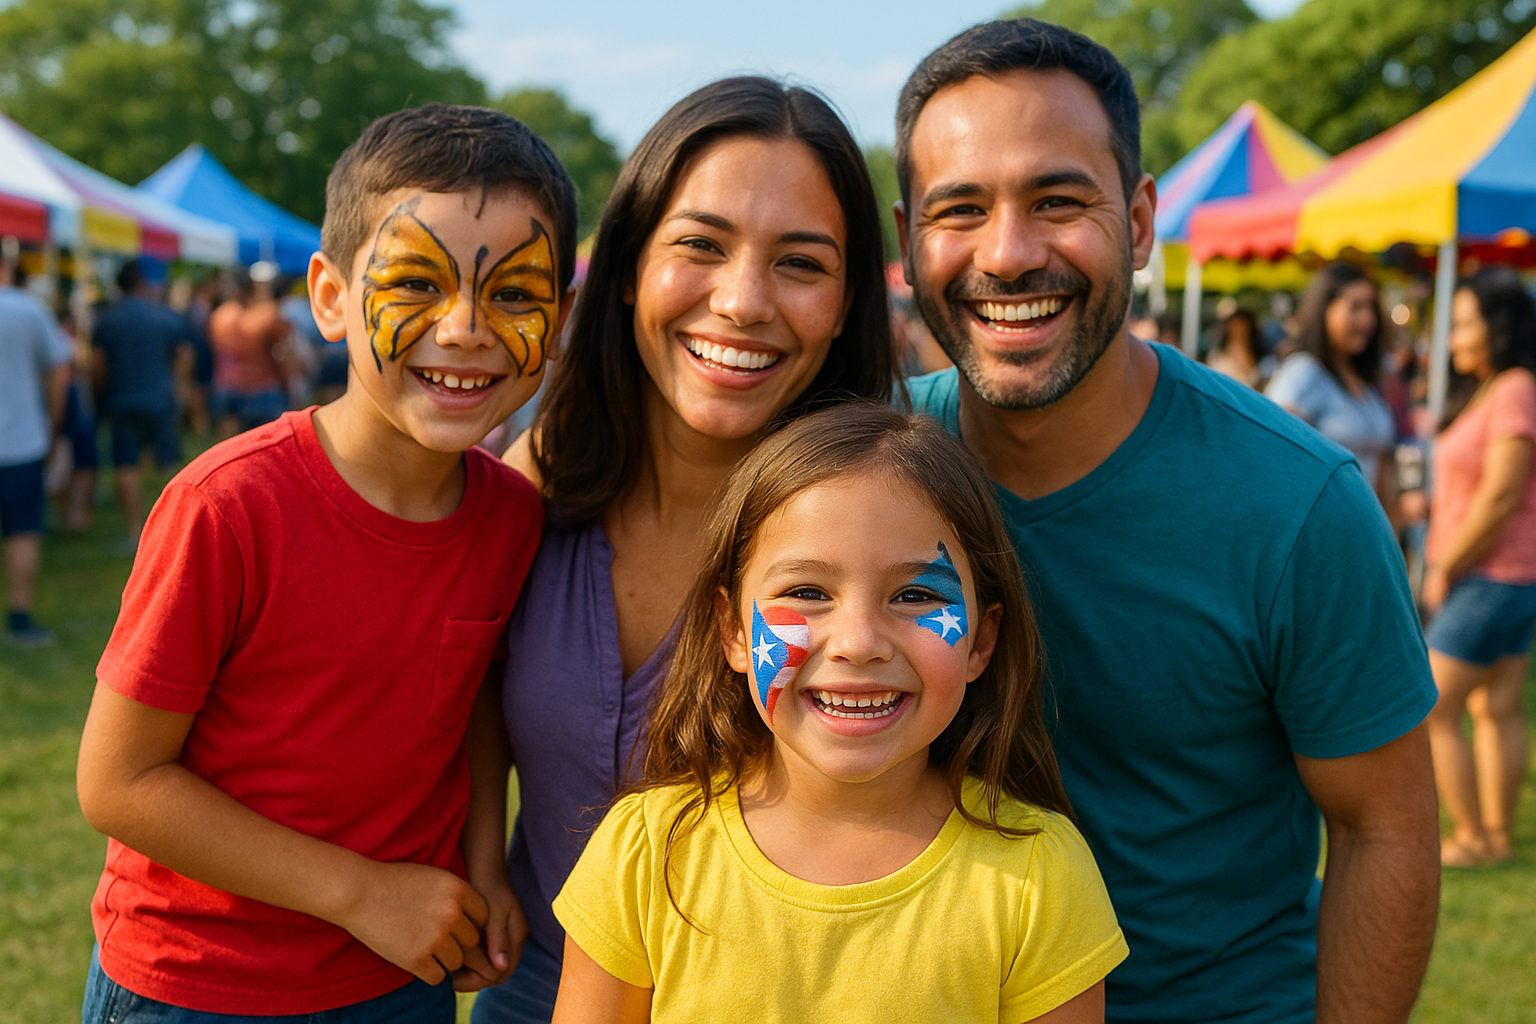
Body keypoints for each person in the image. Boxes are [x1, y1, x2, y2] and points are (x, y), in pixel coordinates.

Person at [895, 19, 1439, 1024]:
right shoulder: (862, 467)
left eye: (1060, 201)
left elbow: (1385, 829)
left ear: (1141, 222)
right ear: (907, 241)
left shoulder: (1298, 504)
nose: (1009, 255)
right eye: (959, 209)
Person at [75, 104, 575, 1022]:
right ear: (331, 296)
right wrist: (361, 893)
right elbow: (118, 782)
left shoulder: (511, 515)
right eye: (416, 284)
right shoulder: (227, 507)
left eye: (512, 294)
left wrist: (479, 862)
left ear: (561, 315)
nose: (464, 329)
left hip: (402, 979)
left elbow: (473, 702)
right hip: (196, 985)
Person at [470, 76, 896, 1024]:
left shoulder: (891, 532)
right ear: (626, 266)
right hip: (528, 995)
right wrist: (477, 859)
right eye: (700, 244)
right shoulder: (541, 477)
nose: (743, 302)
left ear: (846, 301)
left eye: (801, 263)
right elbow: (474, 683)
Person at [552, 403, 1127, 1023]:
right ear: (734, 631)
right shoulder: (645, 853)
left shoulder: (1039, 875)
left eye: (915, 595)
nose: (858, 641)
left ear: (981, 642)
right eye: (807, 592)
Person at [1422, 268, 1536, 867]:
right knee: (1495, 707)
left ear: (1500, 324)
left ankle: (1469, 836)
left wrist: (1446, 564)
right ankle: (1494, 835)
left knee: (1433, 708)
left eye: (1464, 323)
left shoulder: (1515, 386)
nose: (1453, 337)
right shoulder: (1493, 387)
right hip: (1509, 575)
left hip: (1489, 575)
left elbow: (1501, 494)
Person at [1266, 263, 1399, 514]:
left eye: (1371, 307)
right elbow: (1273, 453)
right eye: (1355, 307)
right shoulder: (1304, 372)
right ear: (1324, 310)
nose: (1367, 319)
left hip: (1362, 534)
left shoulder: (1366, 382)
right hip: (1324, 532)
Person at [91, 258, 202, 552]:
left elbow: (98, 366)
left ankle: (135, 532)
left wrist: (101, 395)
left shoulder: (108, 319)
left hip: (122, 399)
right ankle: (179, 529)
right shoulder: (165, 316)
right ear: (142, 282)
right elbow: (185, 355)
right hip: (160, 399)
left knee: (126, 464)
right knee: (170, 464)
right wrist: (179, 387)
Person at [0, 255, 70, 648]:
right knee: (23, 531)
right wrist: (53, 426)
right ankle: (19, 615)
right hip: (21, 441)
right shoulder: (29, 310)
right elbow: (59, 372)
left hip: (22, 439)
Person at [207, 265, 293, 438]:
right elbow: (284, 354)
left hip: (226, 385)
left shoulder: (219, 316)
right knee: (267, 445)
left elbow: (217, 352)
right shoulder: (266, 316)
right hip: (261, 388)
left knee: (231, 447)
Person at [1207, 308, 1272, 390]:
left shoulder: (1262, 357)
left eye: (1242, 326)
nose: (1239, 330)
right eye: (1235, 325)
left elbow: (1255, 380)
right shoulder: (1217, 354)